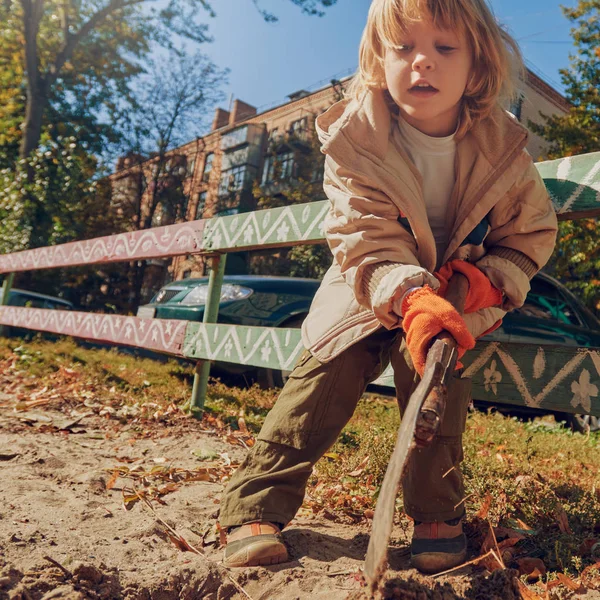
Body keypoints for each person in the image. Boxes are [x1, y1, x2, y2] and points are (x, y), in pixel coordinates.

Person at [219, 0, 558, 574]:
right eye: (403, 47)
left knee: (434, 372)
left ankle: (436, 513)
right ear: (378, 59)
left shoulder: (504, 150)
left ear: (477, 67)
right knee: (326, 367)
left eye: (444, 48)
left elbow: (528, 236)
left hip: (459, 289)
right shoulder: (355, 137)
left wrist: (479, 285)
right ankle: (257, 503)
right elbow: (362, 232)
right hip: (369, 279)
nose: (421, 62)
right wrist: (406, 294)